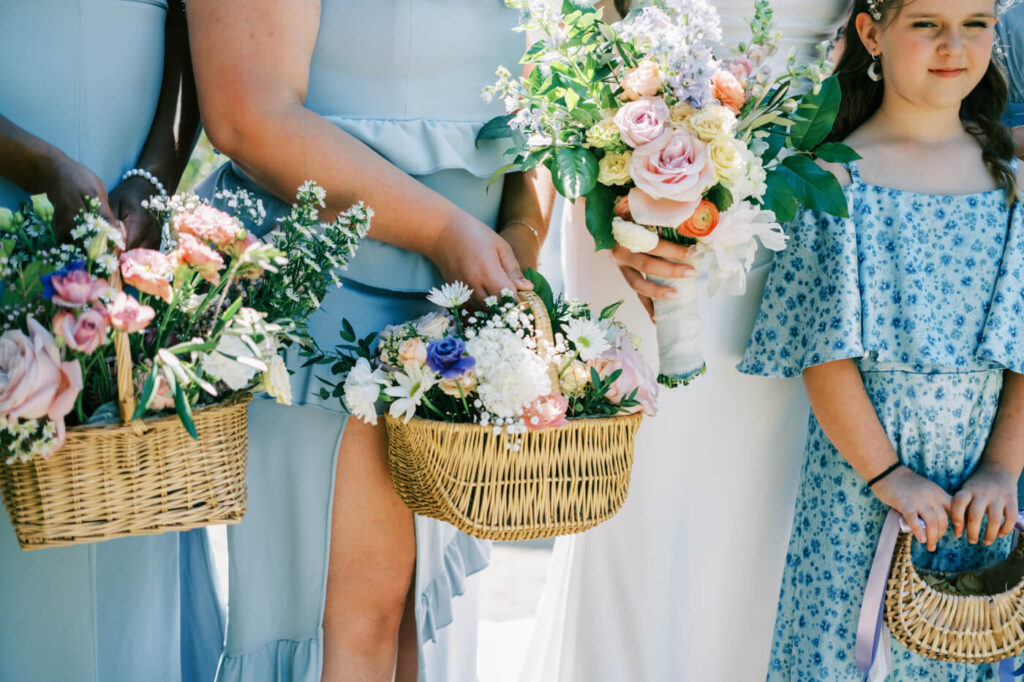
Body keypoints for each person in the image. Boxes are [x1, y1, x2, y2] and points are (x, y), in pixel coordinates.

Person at [186, 2, 554, 680]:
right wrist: (447, 235)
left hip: (457, 315)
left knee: (411, 625)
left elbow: (533, 128)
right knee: (350, 621)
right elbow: (245, 112)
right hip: (323, 284)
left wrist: (517, 246)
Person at [522, 1, 851, 680]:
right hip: (626, 188)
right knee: (640, 496)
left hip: (795, 202)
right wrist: (609, 182)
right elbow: (570, 26)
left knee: (758, 495)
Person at [739, 0, 1024, 677]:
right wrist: (888, 475)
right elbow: (824, 353)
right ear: (872, 32)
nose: (954, 44)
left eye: (976, 23)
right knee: (846, 650)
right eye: (926, 22)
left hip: (981, 488)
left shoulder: (1011, 179)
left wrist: (1003, 469)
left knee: (967, 645)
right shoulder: (835, 177)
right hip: (861, 479)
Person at [0, 1, 220, 681]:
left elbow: (190, 27)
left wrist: (154, 181)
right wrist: (38, 165)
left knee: (127, 491)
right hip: (13, 192)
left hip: (132, 213)